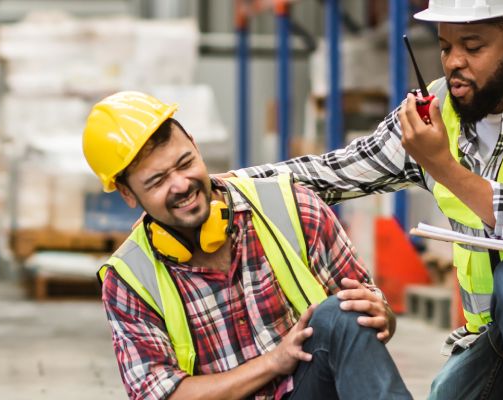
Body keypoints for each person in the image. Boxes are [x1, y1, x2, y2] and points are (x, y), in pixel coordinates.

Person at [231, 1, 503, 398]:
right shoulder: (439, 108)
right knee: (449, 392)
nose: (454, 62)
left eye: (473, 47)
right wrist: (226, 183)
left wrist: (443, 167)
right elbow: (336, 171)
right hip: (501, 331)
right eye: (445, 46)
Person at [82, 91, 413, 400]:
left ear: (196, 146)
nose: (181, 185)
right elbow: (161, 393)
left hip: (306, 389)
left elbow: (371, 319)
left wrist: (381, 313)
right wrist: (273, 362)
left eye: (185, 164)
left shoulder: (292, 208)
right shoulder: (130, 279)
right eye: (157, 181)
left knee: (341, 312)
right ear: (127, 194)